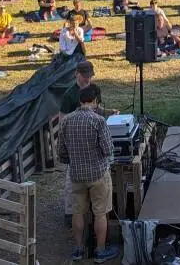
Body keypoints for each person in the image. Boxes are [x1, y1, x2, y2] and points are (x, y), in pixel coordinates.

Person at [58, 84, 121, 262]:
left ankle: (78, 250)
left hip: (76, 175)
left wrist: (73, 161)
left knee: (78, 212)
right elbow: (108, 149)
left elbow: (61, 152)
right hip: (98, 174)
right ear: (95, 101)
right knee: (100, 213)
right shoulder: (98, 121)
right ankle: (100, 251)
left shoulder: (67, 120)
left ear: (80, 100)